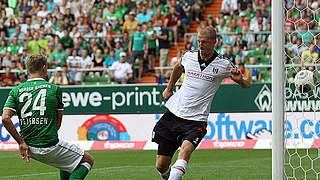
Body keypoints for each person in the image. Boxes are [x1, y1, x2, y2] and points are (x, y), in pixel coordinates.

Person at [152, 27, 250, 180]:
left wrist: (240, 80)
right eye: (198, 41)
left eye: (204, 42)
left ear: (214, 42)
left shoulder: (223, 63)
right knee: (161, 165)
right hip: (174, 114)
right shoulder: (189, 57)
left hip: (196, 120)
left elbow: (247, 84)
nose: (200, 44)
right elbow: (178, 67)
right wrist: (169, 88)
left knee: (185, 151)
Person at [2, 54, 94, 180]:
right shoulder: (54, 89)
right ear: (44, 68)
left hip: (28, 146)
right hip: (48, 144)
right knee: (87, 160)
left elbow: (5, 118)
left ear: (27, 69)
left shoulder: (15, 90)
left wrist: (21, 142)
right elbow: (58, 123)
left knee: (67, 162)